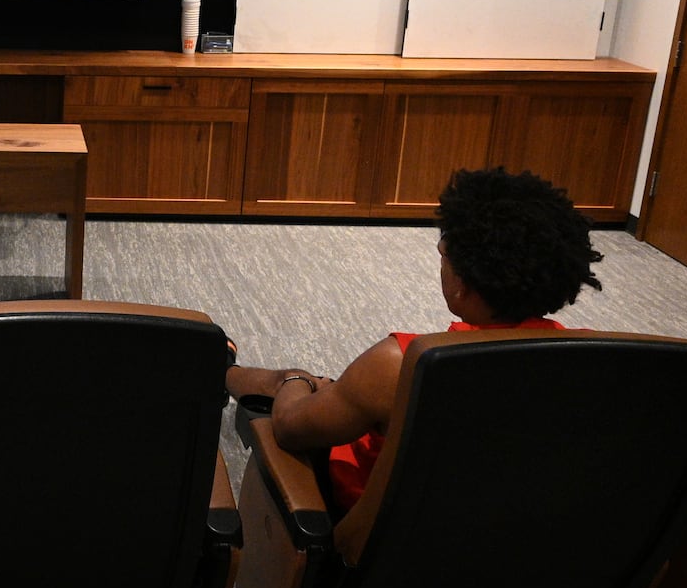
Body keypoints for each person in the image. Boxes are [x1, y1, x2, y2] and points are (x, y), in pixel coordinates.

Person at [224, 167, 603, 512]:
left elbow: (290, 428)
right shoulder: (602, 361)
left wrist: (295, 378)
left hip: (381, 548)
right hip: (521, 545)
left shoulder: (401, 364)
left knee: (293, 385)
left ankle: (220, 367)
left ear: (463, 285)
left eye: (446, 253)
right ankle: (224, 367)